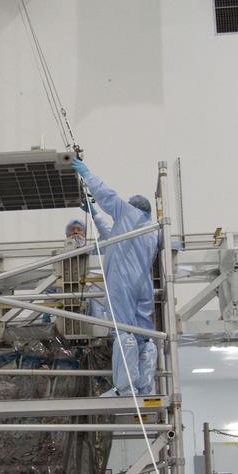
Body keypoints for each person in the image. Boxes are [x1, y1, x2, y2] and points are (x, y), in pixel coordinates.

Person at [69, 158, 159, 397]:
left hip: (123, 283)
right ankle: (145, 386)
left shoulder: (128, 211)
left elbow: (105, 194)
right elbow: (113, 239)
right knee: (144, 337)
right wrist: (95, 215)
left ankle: (125, 387)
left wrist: (87, 173)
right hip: (143, 286)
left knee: (123, 332)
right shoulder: (151, 229)